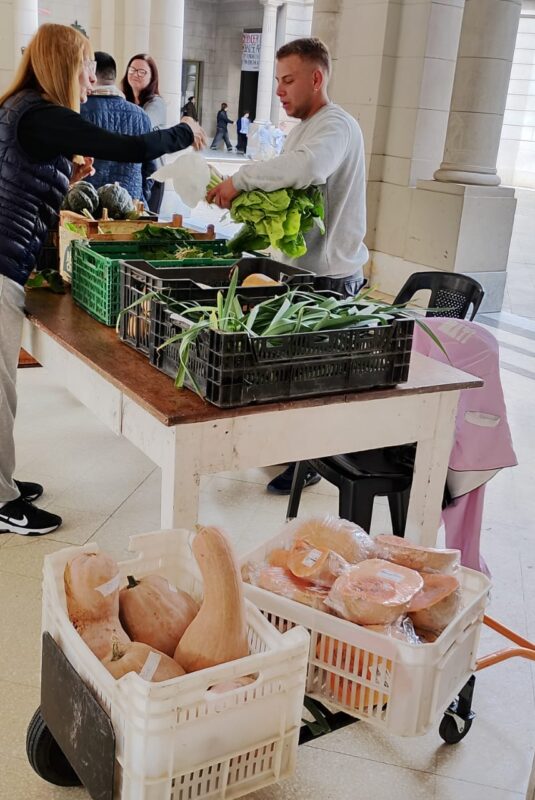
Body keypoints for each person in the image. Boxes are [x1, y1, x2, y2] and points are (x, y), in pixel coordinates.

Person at [0, 23, 205, 536]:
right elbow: (132, 147)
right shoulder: (42, 113)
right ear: (65, 65)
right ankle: (1, 504)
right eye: (87, 67)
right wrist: (185, 129)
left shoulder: (21, 110)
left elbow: (14, 177)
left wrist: (65, 180)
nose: (92, 79)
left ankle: (1, 484)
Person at [207, 37, 369, 495]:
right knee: (290, 370)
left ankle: (313, 460)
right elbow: (290, 173)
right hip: (303, 269)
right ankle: (296, 452)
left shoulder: (334, 125)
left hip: (330, 276)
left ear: (317, 78)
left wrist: (241, 180)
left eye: (288, 80)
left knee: (315, 375)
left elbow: (308, 168)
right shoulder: (307, 125)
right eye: (277, 80)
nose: (279, 90)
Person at [80, 51, 156, 207]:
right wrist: (139, 196)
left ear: (91, 74)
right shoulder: (141, 116)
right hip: (131, 208)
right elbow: (151, 170)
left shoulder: (78, 111)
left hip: (86, 211)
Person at [121, 53, 167, 214]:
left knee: (146, 221)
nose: (135, 74)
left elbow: (141, 125)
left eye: (142, 72)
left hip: (151, 175)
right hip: (129, 172)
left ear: (152, 77)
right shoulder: (123, 101)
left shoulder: (156, 103)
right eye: (132, 70)